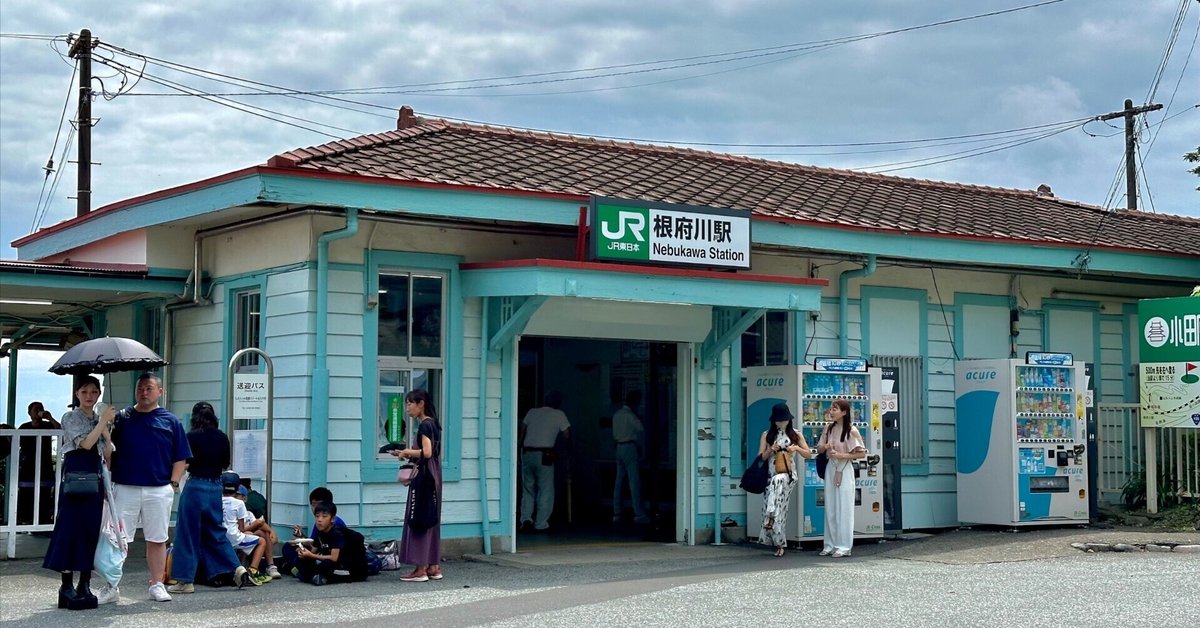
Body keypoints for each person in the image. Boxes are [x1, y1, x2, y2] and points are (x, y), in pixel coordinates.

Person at [109, 372, 191, 602]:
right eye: (140, 389)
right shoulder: (122, 418)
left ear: (160, 392)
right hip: (125, 486)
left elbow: (181, 457)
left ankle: (157, 583)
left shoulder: (171, 421)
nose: (144, 393)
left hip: (159, 488)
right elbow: (108, 453)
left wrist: (173, 484)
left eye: (149, 388)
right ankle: (111, 584)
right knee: (117, 538)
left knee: (157, 538)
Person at [42, 376, 115, 609]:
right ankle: (66, 585)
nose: (89, 396)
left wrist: (105, 428)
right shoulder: (70, 417)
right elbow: (84, 444)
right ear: (77, 394)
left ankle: (85, 582)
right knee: (70, 529)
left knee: (90, 530)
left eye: (94, 392)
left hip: (95, 475)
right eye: (85, 392)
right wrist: (102, 423)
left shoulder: (100, 418)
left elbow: (108, 451)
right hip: (76, 473)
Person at [167, 403, 253, 594]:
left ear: (195, 417)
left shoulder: (191, 437)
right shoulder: (223, 437)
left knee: (186, 534)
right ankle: (237, 567)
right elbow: (224, 463)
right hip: (215, 486)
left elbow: (185, 461)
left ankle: (185, 581)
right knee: (216, 531)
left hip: (196, 485)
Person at [393, 388, 443, 582]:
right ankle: (433, 566)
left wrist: (407, 451)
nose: (407, 408)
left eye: (409, 403)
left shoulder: (424, 425)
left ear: (421, 403)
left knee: (418, 516)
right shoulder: (435, 424)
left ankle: (420, 569)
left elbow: (427, 452)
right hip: (435, 474)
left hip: (424, 474)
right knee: (431, 516)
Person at [757, 403, 811, 557]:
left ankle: (771, 518)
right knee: (781, 509)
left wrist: (796, 449)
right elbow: (760, 457)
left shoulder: (796, 434)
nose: (781, 423)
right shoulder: (767, 435)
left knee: (778, 483)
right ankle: (779, 541)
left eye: (784, 420)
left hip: (787, 475)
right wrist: (770, 450)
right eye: (778, 420)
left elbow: (808, 454)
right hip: (770, 475)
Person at [815, 398, 866, 558]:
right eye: (831, 409)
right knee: (830, 506)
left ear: (844, 412)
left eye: (835, 409)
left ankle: (844, 546)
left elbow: (861, 453)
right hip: (831, 466)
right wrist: (825, 447)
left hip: (845, 467)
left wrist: (842, 454)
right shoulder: (828, 428)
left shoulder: (852, 430)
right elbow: (819, 448)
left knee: (844, 507)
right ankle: (829, 544)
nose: (831, 411)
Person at [519, 390, 570, 532]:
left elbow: (522, 431)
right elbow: (566, 435)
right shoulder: (559, 414)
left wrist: (520, 446)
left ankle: (526, 519)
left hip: (527, 453)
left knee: (528, 488)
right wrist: (562, 450)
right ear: (558, 403)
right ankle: (541, 523)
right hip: (545, 454)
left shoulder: (531, 412)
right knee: (545, 488)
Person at [292, 501, 368, 585]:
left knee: (325, 565)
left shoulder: (336, 533)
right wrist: (303, 551)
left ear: (332, 519)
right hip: (336, 565)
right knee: (299, 560)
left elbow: (333, 558)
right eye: (317, 516)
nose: (319, 520)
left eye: (324, 516)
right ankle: (314, 577)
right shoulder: (320, 533)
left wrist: (311, 555)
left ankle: (312, 577)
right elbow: (313, 550)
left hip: (351, 569)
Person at [220, 473, 273, 585]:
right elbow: (242, 529)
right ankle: (253, 570)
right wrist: (256, 525)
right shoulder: (239, 503)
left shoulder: (216, 501)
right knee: (261, 541)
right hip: (234, 538)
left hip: (219, 538)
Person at [280, 486, 347, 575]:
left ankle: (295, 568)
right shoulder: (319, 523)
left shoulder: (336, 525)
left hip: (332, 556)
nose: (315, 507)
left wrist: (310, 555)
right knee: (289, 547)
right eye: (313, 504)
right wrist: (301, 539)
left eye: (319, 504)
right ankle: (295, 567)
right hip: (320, 552)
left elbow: (333, 556)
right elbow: (314, 543)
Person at [18, 401, 61, 526]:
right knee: (26, 493)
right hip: (27, 465)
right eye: (35, 409)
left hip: (44, 465)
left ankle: (43, 520)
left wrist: (50, 418)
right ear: (29, 412)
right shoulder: (24, 427)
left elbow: (60, 430)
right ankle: (25, 520)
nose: (38, 411)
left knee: (45, 493)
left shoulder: (47, 425)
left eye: (40, 408)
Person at [611, 389, 649, 524]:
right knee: (634, 481)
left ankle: (617, 512)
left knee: (618, 481)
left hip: (618, 446)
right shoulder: (631, 415)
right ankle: (638, 513)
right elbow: (641, 429)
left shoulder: (616, 414)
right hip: (630, 446)